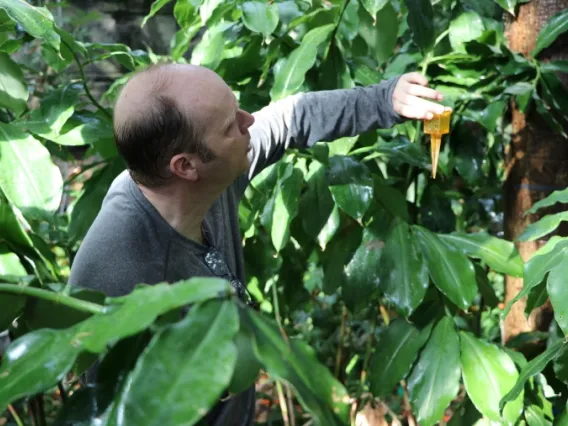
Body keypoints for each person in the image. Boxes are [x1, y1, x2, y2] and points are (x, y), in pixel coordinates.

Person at [68, 63, 449, 425]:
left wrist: (385, 100)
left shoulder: (200, 182)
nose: (249, 120)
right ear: (185, 166)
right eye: (229, 124)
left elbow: (291, 118)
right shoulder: (116, 274)